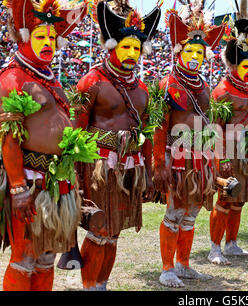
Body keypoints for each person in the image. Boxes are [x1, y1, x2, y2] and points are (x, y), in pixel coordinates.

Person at [74, 0, 161, 291]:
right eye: (126, 47)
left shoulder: (143, 90)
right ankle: (89, 288)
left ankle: (102, 285)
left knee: (114, 234)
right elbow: (74, 133)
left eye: (137, 48)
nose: (132, 53)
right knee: (99, 231)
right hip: (98, 168)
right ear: (111, 46)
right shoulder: (91, 82)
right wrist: (74, 178)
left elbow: (145, 135)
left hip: (129, 170)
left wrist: (147, 172)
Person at [0, 0, 86, 291]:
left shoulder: (49, 78)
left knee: (46, 257)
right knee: (24, 258)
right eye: (40, 37)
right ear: (25, 37)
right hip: (29, 183)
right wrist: (17, 186)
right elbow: (9, 137)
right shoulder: (13, 77)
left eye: (51, 37)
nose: (48, 42)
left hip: (56, 183)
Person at [153, 0, 226, 288]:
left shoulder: (204, 85)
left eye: (199, 51)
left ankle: (184, 264)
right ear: (178, 51)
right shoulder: (167, 85)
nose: (195, 56)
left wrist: (215, 160)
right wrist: (160, 163)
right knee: (174, 212)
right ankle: (167, 268)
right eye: (190, 51)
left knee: (191, 213)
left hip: (202, 159)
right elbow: (160, 128)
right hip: (177, 158)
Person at [208, 0, 248, 264]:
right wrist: (222, 160)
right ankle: (215, 248)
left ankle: (231, 243)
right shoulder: (222, 91)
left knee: (239, 200)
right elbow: (215, 130)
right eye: (246, 67)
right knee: (224, 200)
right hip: (228, 154)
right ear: (233, 65)